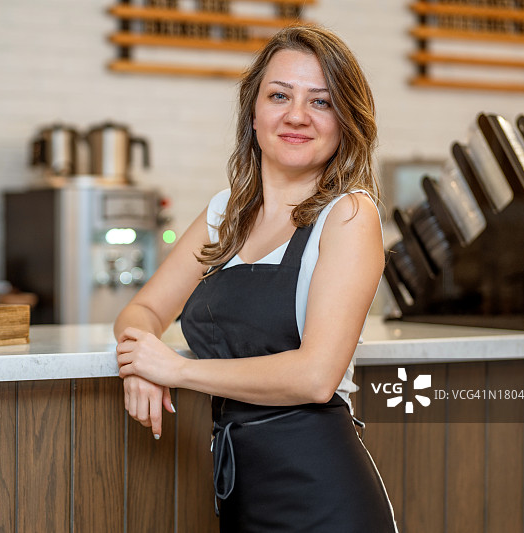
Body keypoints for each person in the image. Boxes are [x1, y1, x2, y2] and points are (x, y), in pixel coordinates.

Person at [115, 24, 397, 532]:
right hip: (240, 489)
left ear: (345, 121)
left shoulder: (349, 216)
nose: (296, 116)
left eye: (321, 102)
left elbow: (314, 377)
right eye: (280, 95)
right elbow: (145, 310)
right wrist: (138, 360)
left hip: (323, 496)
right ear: (253, 111)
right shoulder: (226, 213)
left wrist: (174, 371)